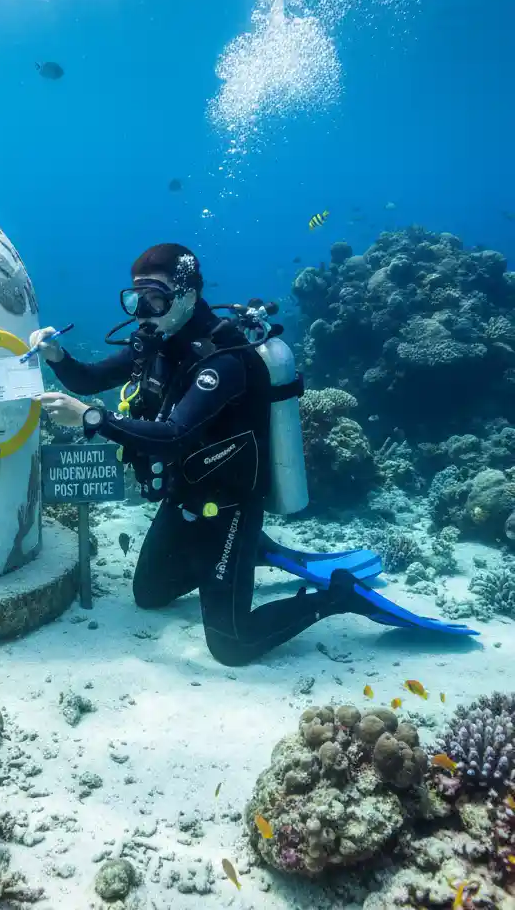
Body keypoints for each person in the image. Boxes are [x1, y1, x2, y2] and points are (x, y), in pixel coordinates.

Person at [33, 243, 474, 665]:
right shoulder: (156, 344)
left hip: (230, 503)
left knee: (232, 646)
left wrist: (94, 420)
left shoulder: (221, 359)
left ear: (188, 295)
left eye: (156, 298)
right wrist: (56, 355)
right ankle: (252, 553)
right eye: (137, 300)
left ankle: (338, 596)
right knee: (149, 594)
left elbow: (173, 435)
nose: (145, 313)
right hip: (185, 493)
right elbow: (89, 380)